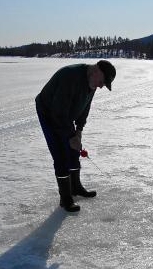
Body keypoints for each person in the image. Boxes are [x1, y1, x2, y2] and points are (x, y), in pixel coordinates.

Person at [35, 60, 116, 212]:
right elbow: (58, 114)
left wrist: (78, 132)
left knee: (73, 149)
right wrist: (71, 138)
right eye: (102, 82)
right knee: (60, 153)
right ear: (96, 71)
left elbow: (85, 108)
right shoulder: (70, 78)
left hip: (63, 114)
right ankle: (65, 198)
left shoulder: (92, 82)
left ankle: (76, 187)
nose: (100, 86)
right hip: (48, 112)